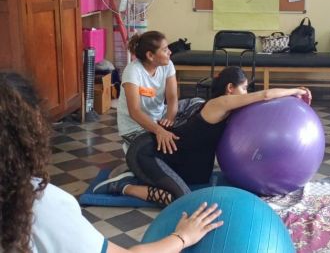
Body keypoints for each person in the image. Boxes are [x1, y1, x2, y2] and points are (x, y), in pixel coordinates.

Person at [0, 72, 223, 253]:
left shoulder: (37, 203)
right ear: (31, 131)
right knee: (183, 197)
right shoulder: (39, 204)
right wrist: (182, 237)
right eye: (164, 49)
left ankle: (123, 184)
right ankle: (122, 185)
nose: (169, 52)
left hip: (157, 137)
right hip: (142, 145)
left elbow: (172, 103)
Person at [95, 66, 311, 205]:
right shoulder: (219, 104)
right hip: (148, 152)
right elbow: (264, 95)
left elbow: (264, 105)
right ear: (230, 88)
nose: (246, 93)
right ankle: (121, 186)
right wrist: (296, 91)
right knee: (184, 201)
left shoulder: (227, 108)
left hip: (175, 158)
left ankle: (135, 173)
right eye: (244, 88)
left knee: (196, 182)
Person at [94, 31, 205, 207]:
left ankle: (155, 157)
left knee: (199, 104)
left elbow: (173, 98)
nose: (169, 52)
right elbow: (135, 111)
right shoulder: (133, 71)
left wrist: (169, 118)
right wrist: (159, 130)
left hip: (160, 119)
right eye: (165, 49)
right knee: (157, 149)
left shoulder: (167, 65)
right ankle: (127, 179)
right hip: (136, 128)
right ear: (150, 55)